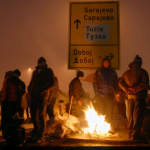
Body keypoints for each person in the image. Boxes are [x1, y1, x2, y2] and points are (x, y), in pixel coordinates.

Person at [119, 55, 149, 140]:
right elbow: (144, 84)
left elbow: (120, 83)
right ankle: (135, 134)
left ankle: (129, 132)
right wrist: (134, 89)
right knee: (137, 116)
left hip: (129, 97)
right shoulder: (143, 72)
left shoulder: (126, 72)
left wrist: (127, 90)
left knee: (130, 116)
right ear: (140, 63)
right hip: (139, 97)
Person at [27, 57, 54, 143]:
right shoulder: (35, 72)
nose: (42, 63)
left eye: (43, 62)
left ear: (45, 63)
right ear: (38, 63)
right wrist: (29, 89)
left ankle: (41, 135)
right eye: (40, 62)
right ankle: (36, 132)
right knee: (33, 115)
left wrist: (43, 90)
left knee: (41, 115)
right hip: (34, 96)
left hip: (43, 96)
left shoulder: (48, 71)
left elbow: (52, 84)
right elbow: (32, 82)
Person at [93, 57, 120, 125]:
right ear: (103, 63)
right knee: (101, 110)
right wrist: (96, 92)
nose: (106, 63)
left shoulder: (113, 71)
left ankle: (108, 124)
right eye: (104, 62)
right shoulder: (99, 71)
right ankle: (101, 124)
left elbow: (116, 82)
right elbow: (94, 81)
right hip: (101, 94)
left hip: (110, 93)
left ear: (109, 63)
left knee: (109, 110)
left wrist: (116, 92)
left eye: (107, 62)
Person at [1, 69, 25, 135]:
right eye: (17, 75)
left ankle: (5, 131)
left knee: (5, 117)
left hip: (5, 100)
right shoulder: (11, 79)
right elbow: (21, 85)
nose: (17, 77)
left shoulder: (6, 79)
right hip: (10, 100)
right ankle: (8, 132)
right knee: (10, 117)